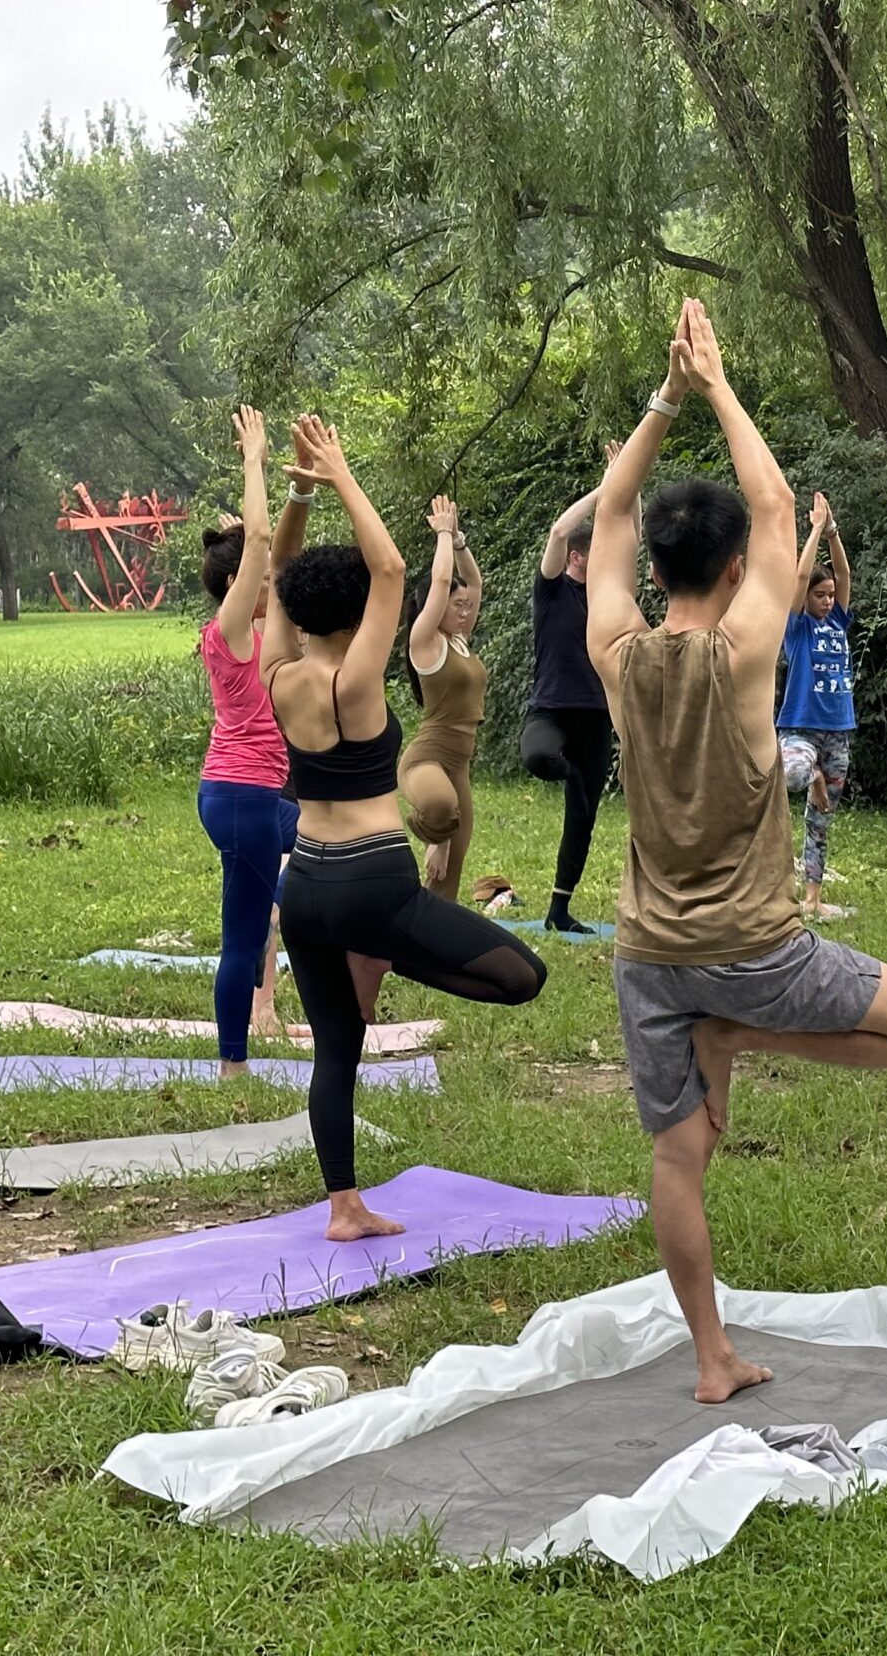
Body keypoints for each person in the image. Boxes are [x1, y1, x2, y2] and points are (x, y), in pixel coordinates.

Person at [587, 298, 887, 1403]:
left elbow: (611, 510)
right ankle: (741, 1032)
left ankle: (712, 1360)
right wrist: (717, 383)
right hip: (755, 951)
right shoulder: (745, 653)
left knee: (677, 1158)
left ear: (656, 574)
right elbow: (778, 501)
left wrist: (666, 398)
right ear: (741, 568)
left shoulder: (617, 653)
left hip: (649, 955)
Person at [261, 416, 548, 1242]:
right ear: (359, 612)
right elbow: (389, 567)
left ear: (299, 612)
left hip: (304, 885)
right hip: (371, 884)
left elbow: (279, 573)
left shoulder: (280, 672)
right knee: (521, 977)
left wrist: (298, 495)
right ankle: (393, 951)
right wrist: (339, 472)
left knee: (337, 1048)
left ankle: (344, 1208)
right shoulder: (355, 680)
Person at [193, 406, 303, 1076]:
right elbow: (262, 542)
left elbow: (265, 549)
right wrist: (255, 462)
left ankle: (301, 905)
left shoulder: (261, 628)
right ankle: (232, 1064)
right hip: (242, 796)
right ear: (236, 586)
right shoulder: (230, 631)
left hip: (249, 797)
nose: (269, 584)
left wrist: (240, 535)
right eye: (257, 578)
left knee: (330, 838)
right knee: (243, 935)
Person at [522, 456, 622, 934]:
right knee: (538, 757)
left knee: (583, 816)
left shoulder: (604, 595)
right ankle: (570, 774)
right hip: (552, 709)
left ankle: (559, 910)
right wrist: (604, 487)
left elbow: (628, 537)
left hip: (596, 714)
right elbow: (560, 530)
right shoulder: (551, 590)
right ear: (577, 558)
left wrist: (625, 486)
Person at [399, 495, 485, 904]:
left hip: (460, 765)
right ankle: (435, 833)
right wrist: (443, 536)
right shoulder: (426, 642)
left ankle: (427, 937)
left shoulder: (460, 640)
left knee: (447, 879)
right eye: (457, 606)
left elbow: (475, 583)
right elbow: (439, 583)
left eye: (467, 607)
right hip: (428, 759)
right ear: (435, 609)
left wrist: (460, 541)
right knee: (439, 804)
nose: (465, 612)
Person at [778, 491, 856, 918]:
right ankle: (814, 777)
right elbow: (799, 575)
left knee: (821, 822)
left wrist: (832, 532)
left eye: (830, 595)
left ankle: (812, 898)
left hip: (838, 731)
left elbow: (842, 572)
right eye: (820, 595)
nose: (827, 600)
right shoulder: (797, 629)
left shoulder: (838, 621)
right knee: (793, 774)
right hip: (800, 729)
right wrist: (812, 532)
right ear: (807, 598)